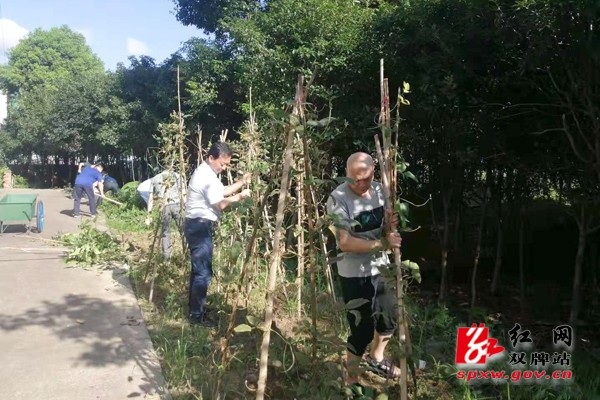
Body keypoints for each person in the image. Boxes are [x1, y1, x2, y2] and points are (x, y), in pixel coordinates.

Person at [326, 152, 402, 388]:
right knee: (361, 331)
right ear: (347, 175)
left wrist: (391, 229)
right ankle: (351, 378)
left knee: (389, 317)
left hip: (381, 267)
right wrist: (382, 244)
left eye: (366, 179)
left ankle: (377, 358)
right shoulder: (338, 199)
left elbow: (388, 223)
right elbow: (345, 242)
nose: (360, 184)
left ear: (374, 174)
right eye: (354, 179)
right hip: (353, 272)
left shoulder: (382, 190)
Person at [185, 142, 252, 328]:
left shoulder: (208, 174)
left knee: (198, 271)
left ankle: (195, 308)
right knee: (204, 273)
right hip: (199, 227)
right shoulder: (205, 177)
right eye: (222, 164)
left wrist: (240, 183)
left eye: (227, 165)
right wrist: (241, 196)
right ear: (211, 158)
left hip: (198, 225)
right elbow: (220, 203)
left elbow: (220, 192)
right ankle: (196, 316)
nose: (224, 168)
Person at [145, 170, 184, 260]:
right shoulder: (177, 175)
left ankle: (167, 258)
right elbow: (183, 193)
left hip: (164, 206)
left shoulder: (155, 179)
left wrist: (149, 214)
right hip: (177, 205)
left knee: (165, 233)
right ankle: (187, 255)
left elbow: (150, 198)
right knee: (183, 230)